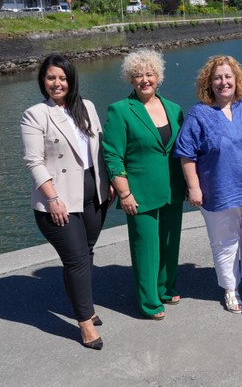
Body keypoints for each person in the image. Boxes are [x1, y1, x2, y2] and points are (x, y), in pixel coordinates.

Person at [20, 54, 112, 349]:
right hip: (59, 199)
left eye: (62, 78)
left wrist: (108, 182)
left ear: (71, 80)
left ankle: (85, 305)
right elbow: (34, 162)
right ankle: (85, 323)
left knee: (86, 253)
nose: (56, 83)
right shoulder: (35, 114)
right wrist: (53, 199)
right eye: (51, 78)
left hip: (93, 192)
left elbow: (100, 147)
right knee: (75, 259)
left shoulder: (87, 107)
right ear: (43, 81)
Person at [174, 55, 242, 315]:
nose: (223, 82)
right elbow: (187, 154)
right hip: (217, 191)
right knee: (225, 242)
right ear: (209, 83)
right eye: (217, 78)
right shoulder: (199, 114)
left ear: (236, 79)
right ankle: (230, 288)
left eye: (228, 77)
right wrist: (194, 187)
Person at [102, 49, 186, 320]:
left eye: (149, 74)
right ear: (130, 79)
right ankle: (149, 301)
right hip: (138, 191)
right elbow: (112, 154)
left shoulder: (174, 109)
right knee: (145, 247)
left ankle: (165, 287)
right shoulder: (120, 110)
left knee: (169, 243)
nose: (144, 80)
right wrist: (124, 191)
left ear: (158, 77)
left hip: (173, 188)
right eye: (138, 75)